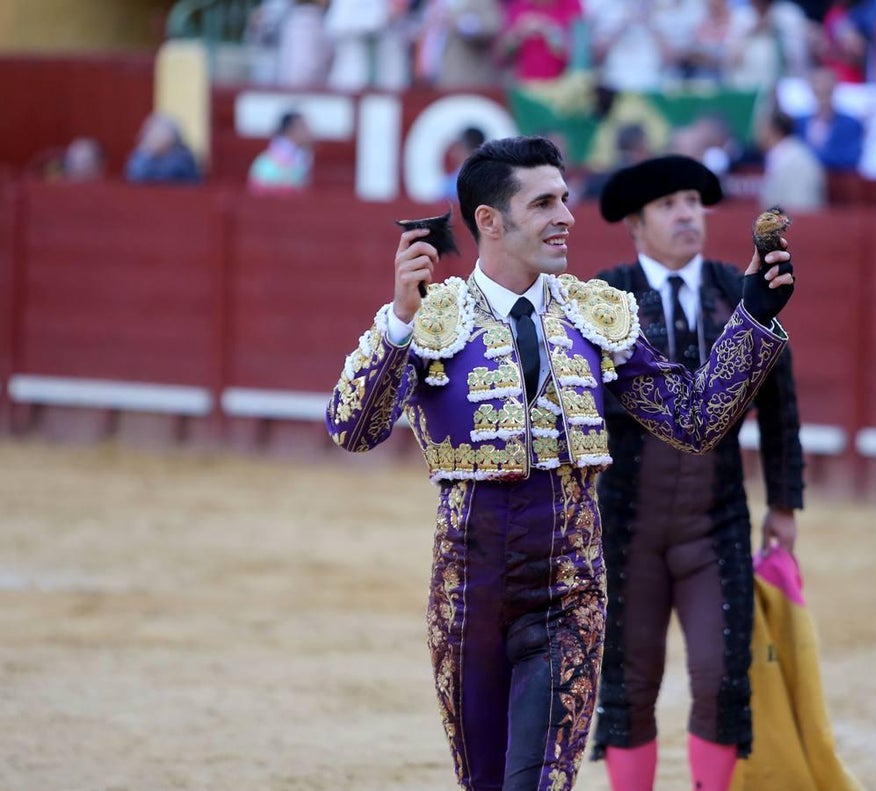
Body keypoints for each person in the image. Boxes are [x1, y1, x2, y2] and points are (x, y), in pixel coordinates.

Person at [323, 136, 796, 791]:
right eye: (543, 202)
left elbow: (694, 419)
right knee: (486, 781)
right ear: (490, 220)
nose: (567, 216)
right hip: (468, 597)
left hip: (567, 594)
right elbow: (353, 428)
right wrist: (400, 322)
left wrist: (753, 317)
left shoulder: (594, 314)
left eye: (565, 199)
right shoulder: (431, 320)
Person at [590, 154, 805, 791]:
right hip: (626, 523)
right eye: (669, 204)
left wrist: (785, 503)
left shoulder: (738, 292)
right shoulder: (606, 298)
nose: (688, 213)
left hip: (717, 522)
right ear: (635, 223)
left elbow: (779, 403)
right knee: (628, 682)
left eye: (693, 200)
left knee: (721, 678)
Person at [795, 66, 865, 172]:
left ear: (834, 89)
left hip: (837, 182)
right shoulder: (799, 123)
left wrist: (811, 159)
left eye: (827, 92)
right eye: (818, 92)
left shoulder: (850, 124)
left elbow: (852, 157)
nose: (823, 98)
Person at [756, 110, 827, 212]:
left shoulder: (797, 163)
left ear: (774, 131)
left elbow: (801, 210)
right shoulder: (779, 157)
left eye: (761, 127)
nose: (756, 132)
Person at [248, 110, 314, 194]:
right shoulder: (266, 163)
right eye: (303, 127)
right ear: (290, 130)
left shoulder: (302, 158)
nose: (308, 132)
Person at [124, 114, 201, 185]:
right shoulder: (143, 153)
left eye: (159, 133)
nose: (154, 138)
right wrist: (148, 154)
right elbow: (134, 176)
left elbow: (167, 179)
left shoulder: (183, 157)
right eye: (152, 133)